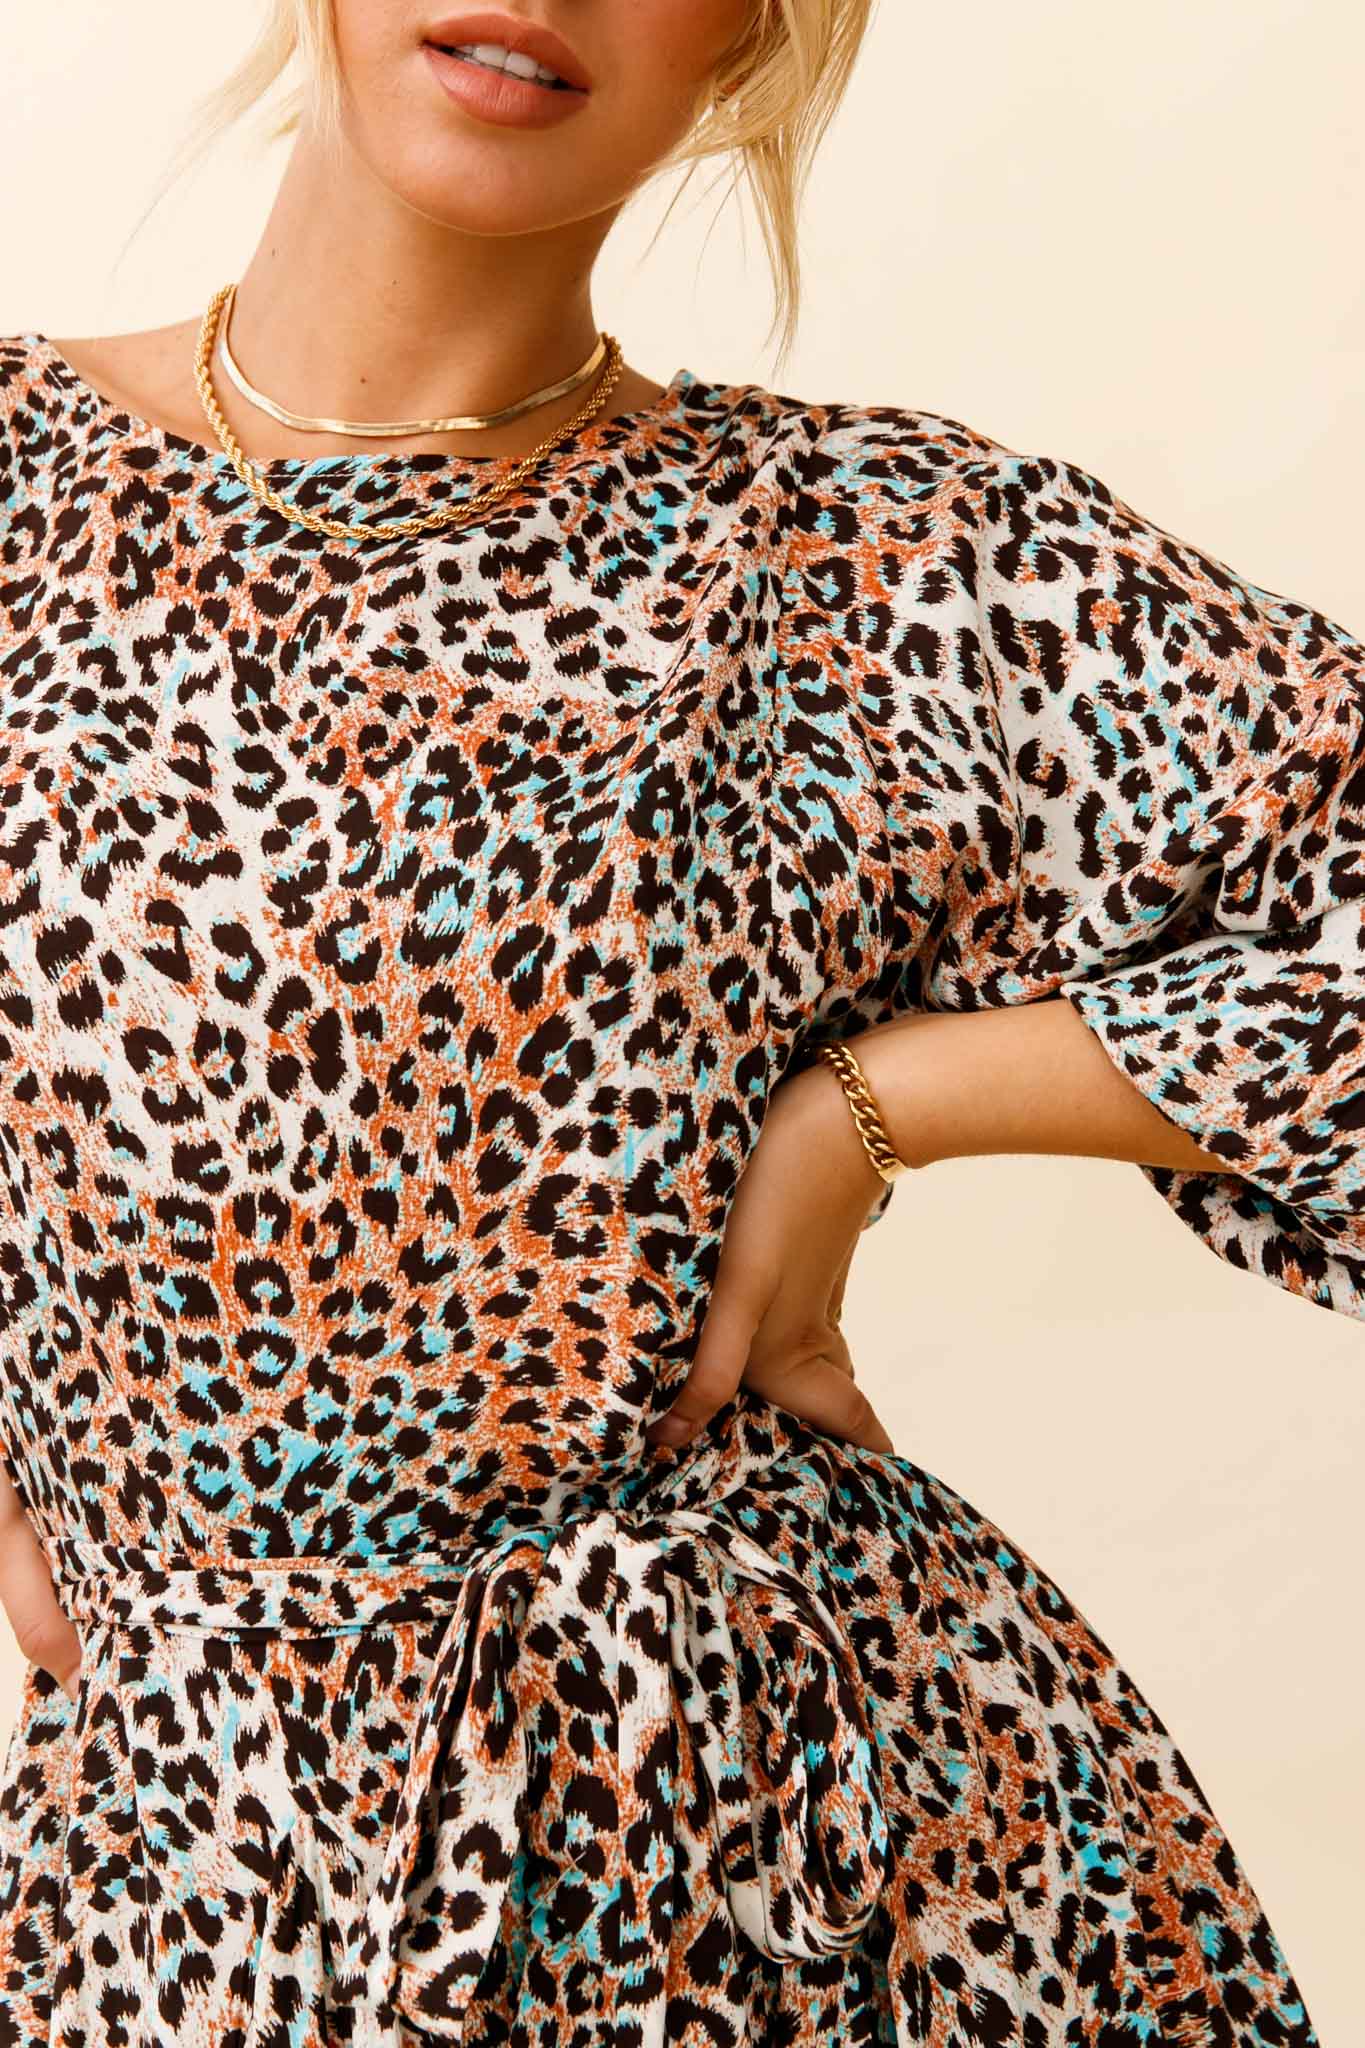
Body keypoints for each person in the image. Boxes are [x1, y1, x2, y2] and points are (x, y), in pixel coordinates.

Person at [0, 1, 1354, 2042]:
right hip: (177, 1876)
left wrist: (874, 1105)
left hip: (790, 1881)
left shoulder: (858, 566)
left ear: (747, 40)